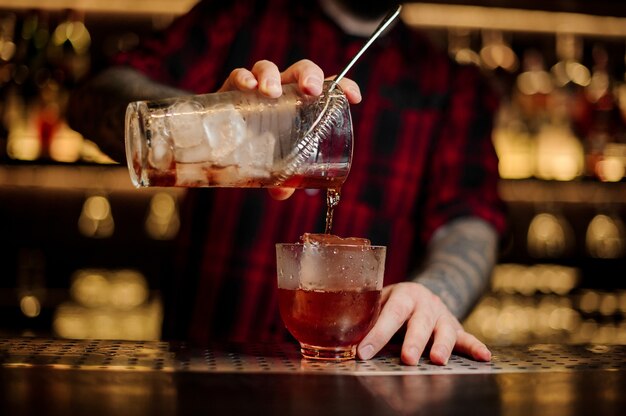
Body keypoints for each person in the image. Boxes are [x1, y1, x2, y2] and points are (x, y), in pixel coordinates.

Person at [66, 0, 507, 366]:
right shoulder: (239, 13)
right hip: (204, 376)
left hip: (355, 391)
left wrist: (435, 292)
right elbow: (93, 96)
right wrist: (205, 124)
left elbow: (471, 224)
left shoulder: (452, 85)